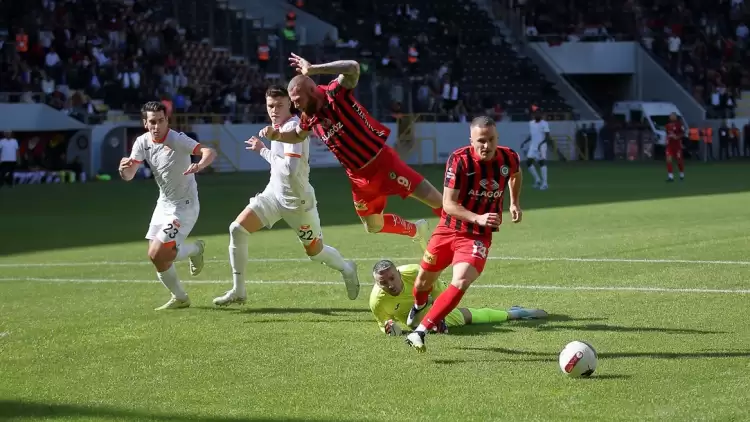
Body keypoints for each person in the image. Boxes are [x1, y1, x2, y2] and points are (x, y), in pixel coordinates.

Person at [259, 53, 444, 249]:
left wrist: (313, 69)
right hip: (358, 178)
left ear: (311, 91)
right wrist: (277, 136)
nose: (295, 105)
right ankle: (415, 230)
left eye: (298, 100)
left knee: (434, 200)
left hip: (381, 162)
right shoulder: (308, 116)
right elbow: (297, 135)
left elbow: (353, 67)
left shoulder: (334, 93)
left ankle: (463, 232)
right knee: (373, 226)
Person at [214, 86, 360, 305]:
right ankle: (239, 290)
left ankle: (347, 268)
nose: (274, 110)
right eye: (270, 105)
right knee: (237, 229)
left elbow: (289, 171)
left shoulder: (294, 129)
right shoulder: (277, 127)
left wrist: (262, 150)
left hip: (298, 203)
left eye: (279, 105)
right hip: (273, 195)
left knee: (316, 253)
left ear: (289, 105)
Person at [405, 116, 523, 353]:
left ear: (497, 138)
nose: (486, 146)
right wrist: (477, 216)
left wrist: (514, 203)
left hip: (478, 235)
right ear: (471, 140)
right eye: (481, 141)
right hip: (448, 229)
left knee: (461, 280)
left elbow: (515, 175)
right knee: (422, 283)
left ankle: (421, 331)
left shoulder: (509, 157)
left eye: (491, 140)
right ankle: (419, 306)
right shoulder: (459, 160)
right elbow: (448, 204)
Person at [118, 101, 216, 310]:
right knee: (158, 258)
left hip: (185, 207)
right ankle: (180, 298)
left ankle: (194, 249)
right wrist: (123, 169)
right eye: (152, 122)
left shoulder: (177, 139)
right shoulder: (142, 142)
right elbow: (129, 176)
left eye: (161, 121)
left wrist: (199, 164)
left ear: (166, 120)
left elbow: (209, 152)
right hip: (163, 205)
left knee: (157, 252)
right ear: (145, 123)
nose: (157, 126)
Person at [370, 260, 547, 336]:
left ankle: (515, 313)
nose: (390, 284)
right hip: (416, 320)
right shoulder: (376, 301)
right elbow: (383, 322)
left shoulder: (416, 272)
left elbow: (440, 293)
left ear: (398, 273)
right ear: (377, 283)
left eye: (392, 278)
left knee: (469, 317)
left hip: (434, 302)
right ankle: (513, 312)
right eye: (383, 282)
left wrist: (437, 317)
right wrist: (389, 327)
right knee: (413, 324)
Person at [523, 110, 550, 190]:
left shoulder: (544, 123)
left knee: (542, 162)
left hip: (542, 145)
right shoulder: (531, 123)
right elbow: (532, 135)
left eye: (539, 114)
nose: (537, 115)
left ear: (541, 115)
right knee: (528, 162)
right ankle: (537, 180)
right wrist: (525, 141)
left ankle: (545, 183)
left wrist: (541, 144)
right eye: (535, 114)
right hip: (533, 146)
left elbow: (547, 136)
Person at [665, 113, 685, 181]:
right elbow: (668, 134)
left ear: (676, 117)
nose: (672, 117)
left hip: (677, 146)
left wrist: (677, 137)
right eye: (670, 116)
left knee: (679, 161)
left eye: (673, 116)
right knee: (668, 160)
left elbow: (683, 133)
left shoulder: (679, 125)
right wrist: (667, 139)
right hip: (670, 146)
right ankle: (670, 176)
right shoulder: (667, 125)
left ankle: (681, 173)